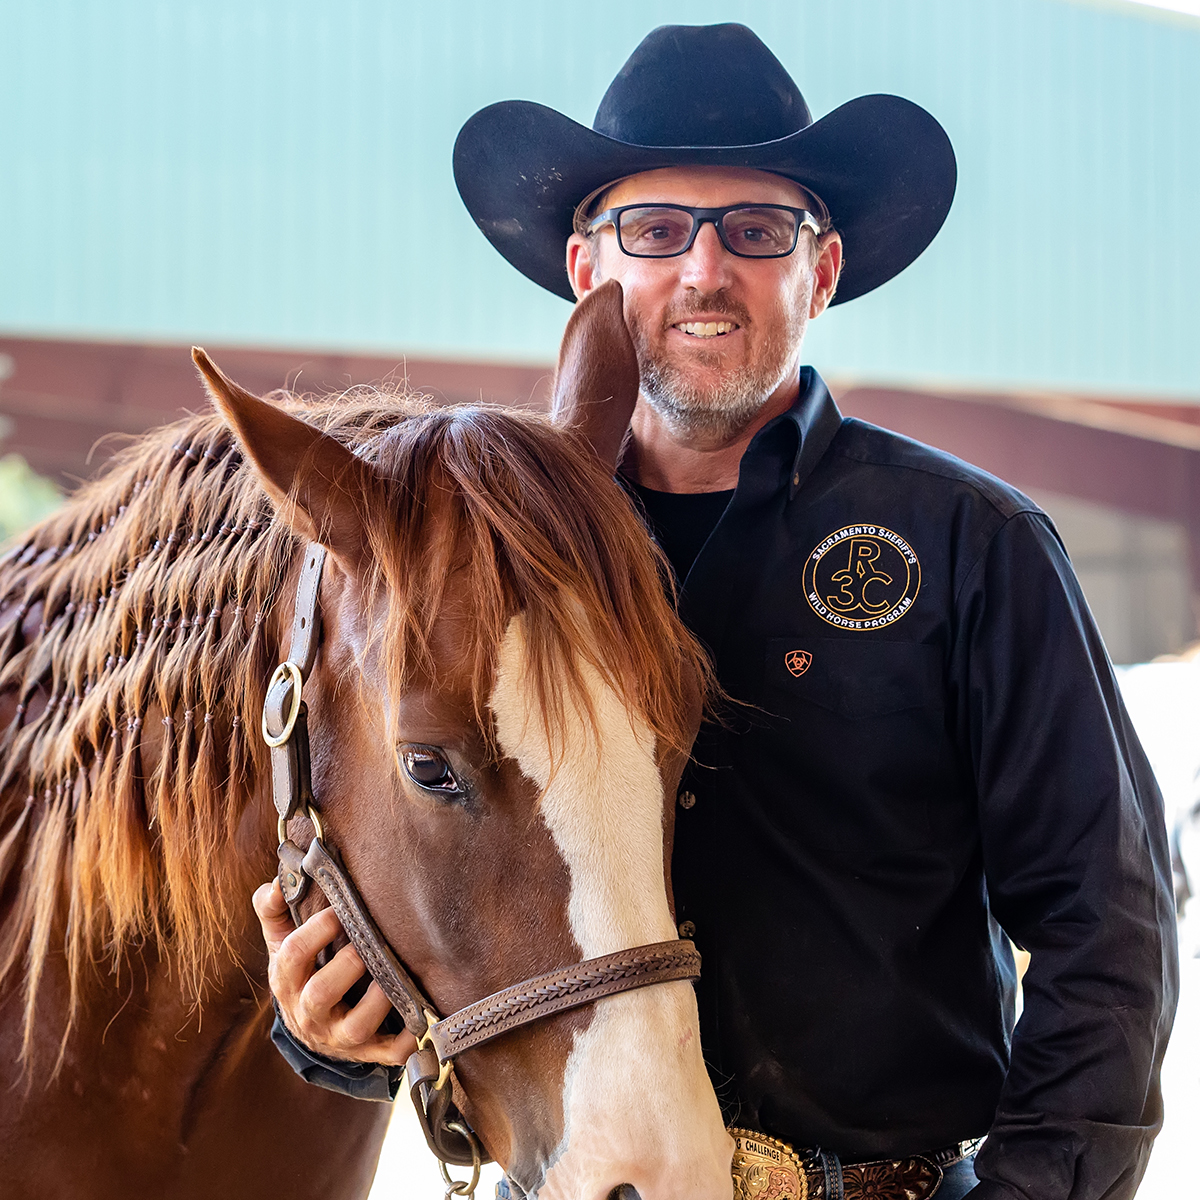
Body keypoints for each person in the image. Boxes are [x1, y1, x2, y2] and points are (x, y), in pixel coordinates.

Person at [255, 23, 1178, 1200]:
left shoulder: (970, 547)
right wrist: (328, 1033)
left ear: (822, 271)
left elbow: (1112, 933)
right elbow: (450, 870)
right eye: (655, 231)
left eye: (756, 231)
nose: (704, 271)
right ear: (589, 274)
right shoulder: (492, 566)